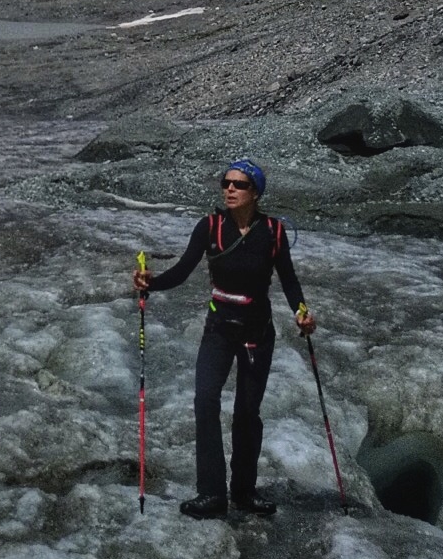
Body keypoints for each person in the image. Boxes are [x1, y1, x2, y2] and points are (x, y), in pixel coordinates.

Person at [133, 157, 314, 518]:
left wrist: (301, 310)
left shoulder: (274, 233)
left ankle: (244, 492)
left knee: (247, 413)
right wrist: (150, 284)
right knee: (205, 402)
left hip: (256, 334)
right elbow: (184, 269)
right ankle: (211, 494)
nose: (230, 189)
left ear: (256, 192)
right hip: (218, 329)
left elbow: (289, 279)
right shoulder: (210, 227)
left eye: (239, 184)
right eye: (226, 183)